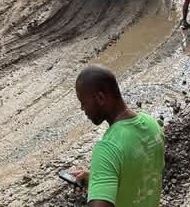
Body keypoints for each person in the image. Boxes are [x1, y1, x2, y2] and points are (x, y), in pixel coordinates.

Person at [70, 66, 165, 207]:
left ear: (100, 98)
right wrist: (97, 179)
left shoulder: (108, 148)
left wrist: (102, 171)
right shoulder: (153, 126)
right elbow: (140, 174)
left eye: (84, 103)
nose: (82, 109)